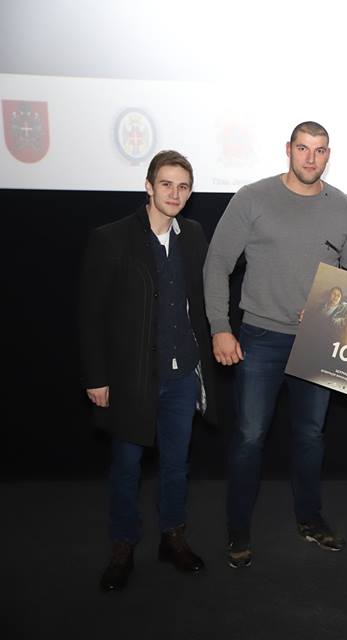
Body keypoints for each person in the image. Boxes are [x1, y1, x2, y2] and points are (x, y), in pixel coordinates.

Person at [203, 121, 347, 568]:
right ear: (288, 150)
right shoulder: (252, 197)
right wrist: (220, 326)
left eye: (320, 150)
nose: (311, 158)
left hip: (317, 341)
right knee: (249, 437)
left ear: (328, 155)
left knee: (311, 436)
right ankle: (238, 528)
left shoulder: (344, 208)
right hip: (259, 338)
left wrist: (330, 310)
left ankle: (310, 519)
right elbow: (218, 262)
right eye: (303, 148)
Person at [80, 150, 219, 591]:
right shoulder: (111, 238)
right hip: (132, 378)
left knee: (177, 464)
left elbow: (206, 294)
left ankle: (173, 536)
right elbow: (91, 314)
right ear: (148, 186)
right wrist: (96, 376)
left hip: (182, 376)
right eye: (166, 184)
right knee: (126, 467)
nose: (174, 193)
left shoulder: (194, 235)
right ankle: (123, 546)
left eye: (183, 187)